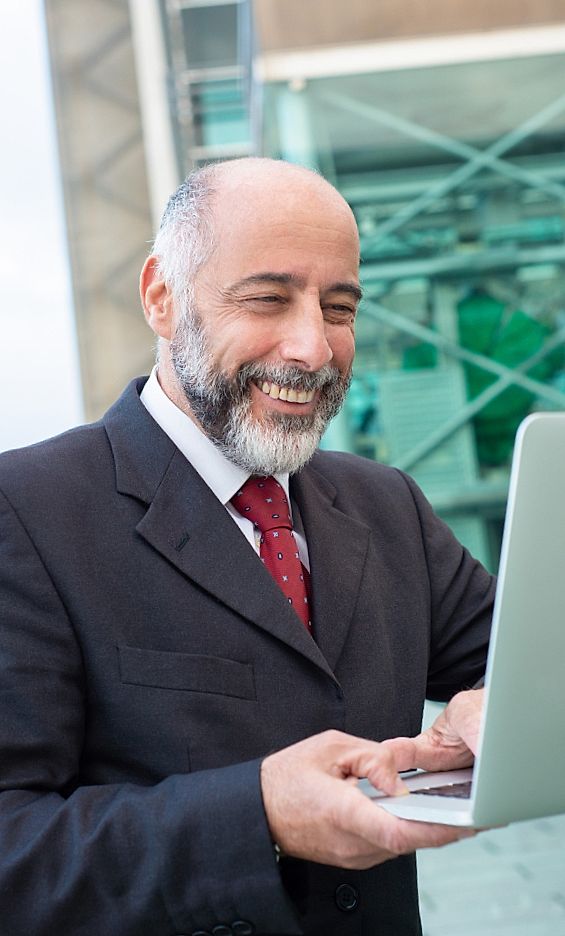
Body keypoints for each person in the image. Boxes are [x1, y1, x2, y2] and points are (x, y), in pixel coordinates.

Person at [0, 158, 494, 936]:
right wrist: (256, 814)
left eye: (339, 307)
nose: (311, 348)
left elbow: (528, 660)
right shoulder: (24, 512)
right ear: (161, 297)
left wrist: (493, 708)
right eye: (267, 298)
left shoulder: (385, 502)